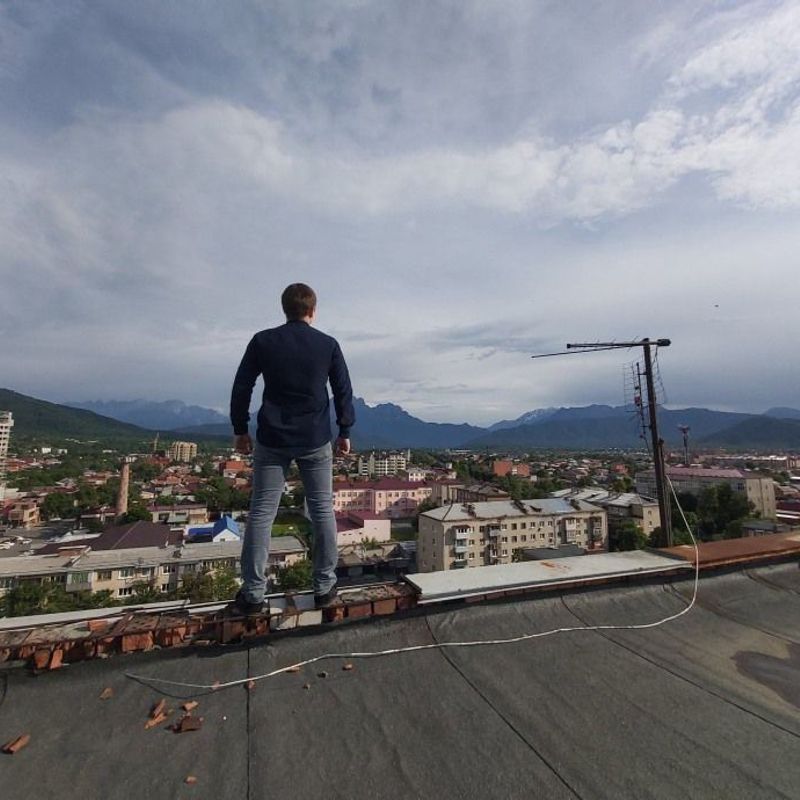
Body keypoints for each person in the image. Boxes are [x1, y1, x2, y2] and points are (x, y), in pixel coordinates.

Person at [229, 283, 355, 613]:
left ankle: (253, 594)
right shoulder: (327, 344)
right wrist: (345, 429)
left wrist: (240, 429)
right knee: (322, 510)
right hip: (315, 438)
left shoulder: (263, 341)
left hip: (272, 438)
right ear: (312, 311)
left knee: (261, 513)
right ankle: (325, 588)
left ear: (284, 309)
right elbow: (343, 389)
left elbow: (242, 384)